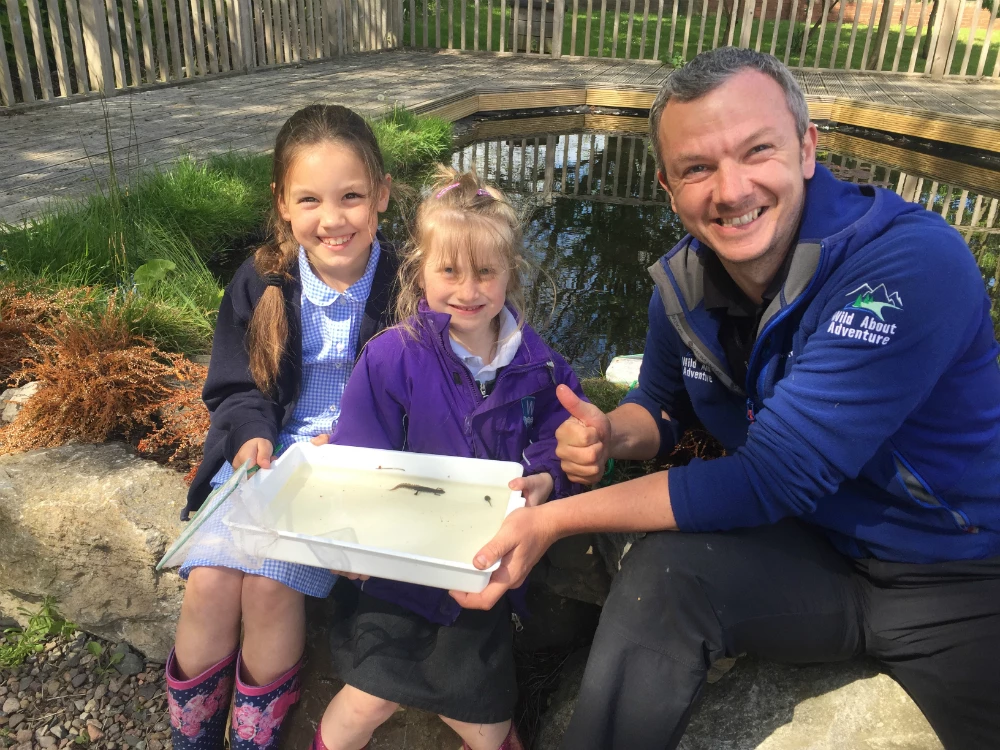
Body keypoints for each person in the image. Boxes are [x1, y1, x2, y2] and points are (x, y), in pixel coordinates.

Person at [450, 47, 1000, 750]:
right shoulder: (683, 286)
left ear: (806, 148)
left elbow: (774, 474)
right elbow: (663, 405)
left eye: (756, 151)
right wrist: (612, 433)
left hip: (958, 578)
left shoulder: (905, 267)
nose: (730, 189)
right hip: (813, 554)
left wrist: (553, 518)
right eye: (697, 169)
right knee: (667, 577)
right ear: (668, 186)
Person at [307, 168, 585, 750]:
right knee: (365, 700)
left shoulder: (542, 368)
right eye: (449, 270)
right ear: (421, 271)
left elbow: (560, 441)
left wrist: (546, 478)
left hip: (478, 571)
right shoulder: (392, 357)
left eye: (486, 270)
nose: (468, 289)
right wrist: (348, 534)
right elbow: (359, 450)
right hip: (399, 568)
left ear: (511, 272)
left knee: (487, 726)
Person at [165, 104, 400, 750]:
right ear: (283, 203)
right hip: (266, 463)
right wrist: (250, 434)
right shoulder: (261, 281)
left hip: (349, 468)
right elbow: (236, 383)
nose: (333, 219)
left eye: (352, 196)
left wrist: (362, 445)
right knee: (211, 581)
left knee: (269, 585)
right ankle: (192, 735)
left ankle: (255, 737)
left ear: (382, 192)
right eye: (311, 199)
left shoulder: (408, 286)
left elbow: (424, 394)